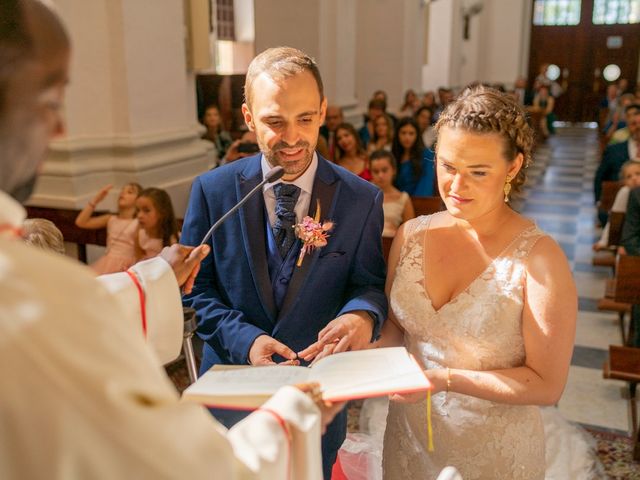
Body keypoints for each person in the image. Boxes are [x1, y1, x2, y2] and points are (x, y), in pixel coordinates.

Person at [0, 2, 342, 478]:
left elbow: (77, 308)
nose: (60, 130)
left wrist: (153, 278)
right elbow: (184, 468)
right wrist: (289, 420)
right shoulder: (40, 303)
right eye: (50, 104)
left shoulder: (41, 293)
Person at [367, 86, 600, 479]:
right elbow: (395, 328)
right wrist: (351, 348)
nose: (457, 187)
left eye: (478, 172)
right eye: (448, 167)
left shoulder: (540, 260)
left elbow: (546, 384)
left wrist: (445, 380)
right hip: (409, 435)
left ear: (512, 168)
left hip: (491, 450)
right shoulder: (411, 235)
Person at [180, 46, 388, 479]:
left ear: (324, 111)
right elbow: (197, 292)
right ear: (248, 116)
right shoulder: (212, 193)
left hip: (317, 400)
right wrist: (246, 340)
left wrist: (360, 317)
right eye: (275, 121)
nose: (292, 138)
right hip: (232, 397)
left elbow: (367, 284)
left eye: (306, 119)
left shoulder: (360, 199)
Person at [75, 182, 143, 274]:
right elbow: (80, 222)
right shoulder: (111, 219)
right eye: (122, 191)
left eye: (129, 192)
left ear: (139, 200)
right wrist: (96, 200)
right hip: (107, 262)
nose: (122, 193)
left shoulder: (138, 222)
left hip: (128, 265)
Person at [593, 160, 640, 251]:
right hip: (626, 238)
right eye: (629, 177)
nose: (634, 178)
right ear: (624, 182)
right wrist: (604, 241)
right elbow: (614, 220)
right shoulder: (625, 192)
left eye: (638, 174)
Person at [369, 150, 415, 237]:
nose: (380, 175)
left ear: (393, 170)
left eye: (384, 170)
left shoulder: (403, 198)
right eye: (376, 171)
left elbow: (410, 233)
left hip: (391, 243)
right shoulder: (366, 195)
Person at [392, 117, 435, 196]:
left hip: (419, 202)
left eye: (411, 133)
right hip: (398, 202)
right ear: (397, 134)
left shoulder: (427, 155)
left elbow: (426, 185)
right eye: (403, 133)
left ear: (417, 135)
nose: (407, 137)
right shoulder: (393, 155)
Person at [134, 187, 179, 260]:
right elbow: (138, 259)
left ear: (162, 212)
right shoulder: (140, 235)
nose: (139, 215)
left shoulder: (174, 240)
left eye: (146, 210)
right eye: (138, 210)